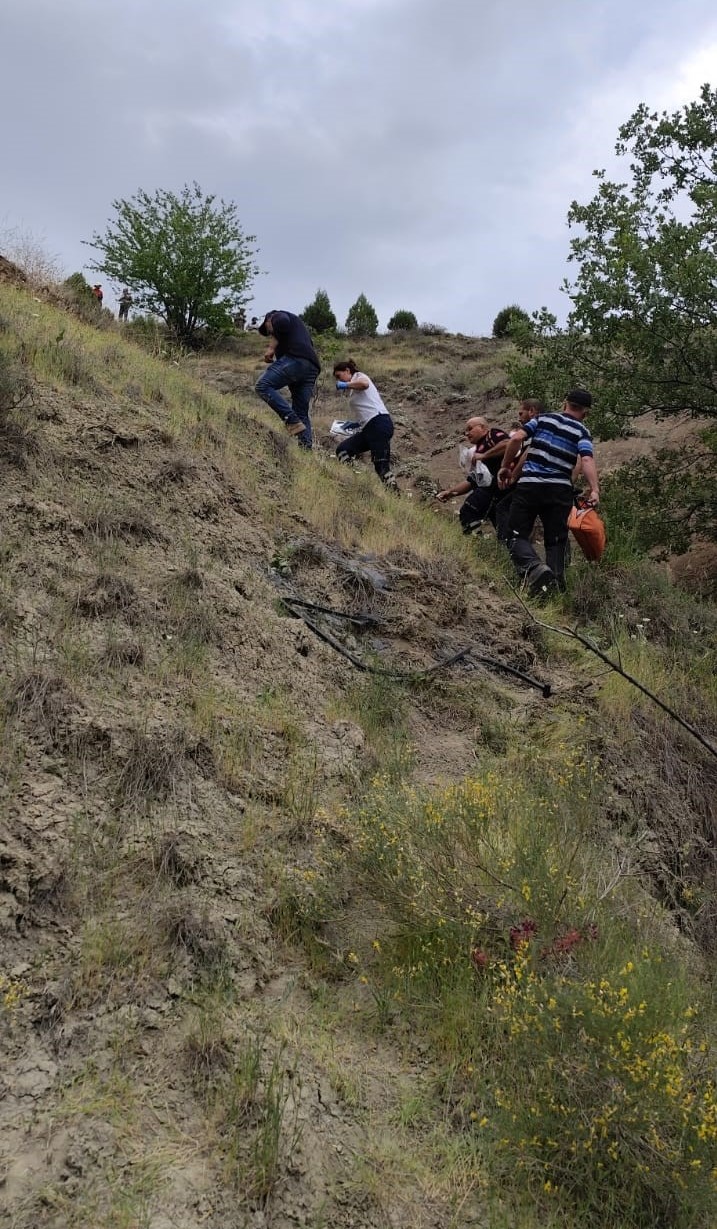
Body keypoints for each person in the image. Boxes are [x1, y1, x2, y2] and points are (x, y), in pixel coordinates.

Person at [498, 389, 599, 595]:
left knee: (515, 534)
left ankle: (535, 568)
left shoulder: (542, 419)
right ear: (585, 413)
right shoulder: (582, 431)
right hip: (559, 490)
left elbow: (517, 439)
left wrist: (505, 467)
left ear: (565, 404)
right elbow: (587, 459)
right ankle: (555, 588)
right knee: (556, 541)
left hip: (530, 486)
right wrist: (594, 489)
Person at [254, 310, 321, 448]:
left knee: (263, 385)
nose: (271, 334)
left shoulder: (278, 316)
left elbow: (282, 321)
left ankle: (291, 420)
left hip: (296, 359)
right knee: (301, 412)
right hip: (311, 368)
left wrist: (271, 348)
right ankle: (305, 450)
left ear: (269, 320)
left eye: (269, 330)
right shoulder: (298, 330)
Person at [436, 416, 510, 533]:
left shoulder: (492, 434)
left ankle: (475, 539)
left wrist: (484, 455)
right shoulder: (479, 449)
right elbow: (473, 481)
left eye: (470, 429)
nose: (467, 433)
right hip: (497, 491)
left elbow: (508, 443)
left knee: (469, 511)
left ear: (482, 427)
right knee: (502, 526)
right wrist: (450, 492)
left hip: (503, 488)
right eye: (466, 431)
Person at [333, 360, 395, 483]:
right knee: (342, 450)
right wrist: (356, 423)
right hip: (369, 427)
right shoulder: (353, 389)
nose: (339, 380)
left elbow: (364, 384)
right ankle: (357, 481)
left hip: (378, 423)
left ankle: (395, 493)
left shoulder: (359, 376)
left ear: (347, 371)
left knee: (381, 466)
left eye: (339, 376)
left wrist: (345, 385)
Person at [494, 398, 546, 544]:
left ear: (532, 411)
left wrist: (512, 475)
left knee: (504, 508)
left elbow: (527, 454)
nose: (519, 418)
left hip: (532, 480)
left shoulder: (536, 427)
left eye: (521, 413)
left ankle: (508, 545)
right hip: (552, 481)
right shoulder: (552, 428)